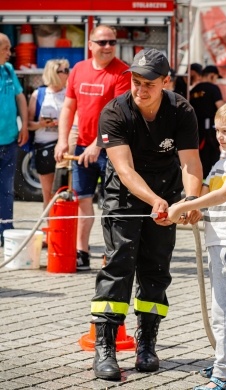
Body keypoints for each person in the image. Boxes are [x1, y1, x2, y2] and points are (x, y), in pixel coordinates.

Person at [90, 48, 203, 380]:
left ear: (166, 82)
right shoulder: (115, 112)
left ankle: (147, 344)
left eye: (149, 84)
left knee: (156, 266)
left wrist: (192, 199)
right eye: (136, 82)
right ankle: (105, 348)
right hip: (123, 195)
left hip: (166, 190)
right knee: (119, 263)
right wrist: (154, 201)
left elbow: (190, 162)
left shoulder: (182, 111)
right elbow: (124, 170)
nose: (140, 90)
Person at [168, 98, 226, 390]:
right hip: (217, 240)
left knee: (222, 310)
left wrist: (180, 208)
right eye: (218, 130)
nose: (219, 136)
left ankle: (222, 376)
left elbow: (223, 195)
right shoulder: (222, 160)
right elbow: (207, 190)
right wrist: (188, 205)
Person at [54, 25, 131, 271]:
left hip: (112, 149)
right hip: (83, 150)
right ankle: (82, 253)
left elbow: (120, 116)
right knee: (82, 201)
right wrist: (62, 139)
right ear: (90, 44)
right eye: (102, 42)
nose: (108, 47)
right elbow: (68, 108)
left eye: (111, 42)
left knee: (113, 205)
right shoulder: (79, 69)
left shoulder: (122, 72)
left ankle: (112, 254)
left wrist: (98, 144)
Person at [28, 59, 69, 209]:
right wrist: (41, 124)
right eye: (64, 71)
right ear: (53, 73)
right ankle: (50, 229)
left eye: (67, 70)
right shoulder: (38, 94)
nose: (68, 74)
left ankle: (63, 229)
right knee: (49, 195)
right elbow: (28, 124)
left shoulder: (70, 93)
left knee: (64, 194)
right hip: (43, 146)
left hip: (65, 148)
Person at [0, 33, 28, 247]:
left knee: (6, 189)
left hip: (8, 141)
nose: (10, 53)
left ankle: (5, 230)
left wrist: (24, 125)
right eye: (5, 48)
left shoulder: (8, 70)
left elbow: (20, 96)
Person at [190, 65, 225, 179]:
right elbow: (221, 108)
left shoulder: (193, 90)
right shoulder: (213, 88)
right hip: (210, 131)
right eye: (215, 77)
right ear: (211, 76)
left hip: (195, 130)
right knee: (213, 161)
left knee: (200, 161)